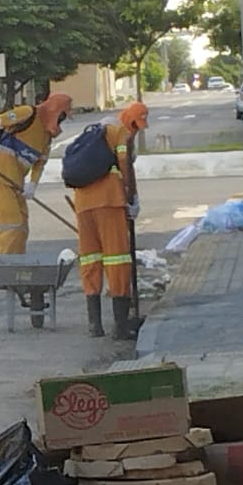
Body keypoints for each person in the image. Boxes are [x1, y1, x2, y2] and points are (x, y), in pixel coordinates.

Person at [72, 101, 148, 341]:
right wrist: (131, 197)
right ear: (130, 119)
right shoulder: (119, 133)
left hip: (83, 203)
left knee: (90, 259)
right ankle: (121, 325)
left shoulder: (92, 132)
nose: (136, 130)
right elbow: (125, 164)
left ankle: (94, 324)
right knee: (118, 259)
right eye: (136, 124)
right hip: (109, 202)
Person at [0, 92, 73, 255]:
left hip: (18, 185)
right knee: (11, 225)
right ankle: (6, 264)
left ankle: (17, 263)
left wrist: (33, 184)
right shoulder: (27, 113)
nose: (61, 120)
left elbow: (39, 164)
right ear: (54, 110)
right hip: (0, 177)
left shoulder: (46, 137)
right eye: (62, 115)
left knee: (22, 227)